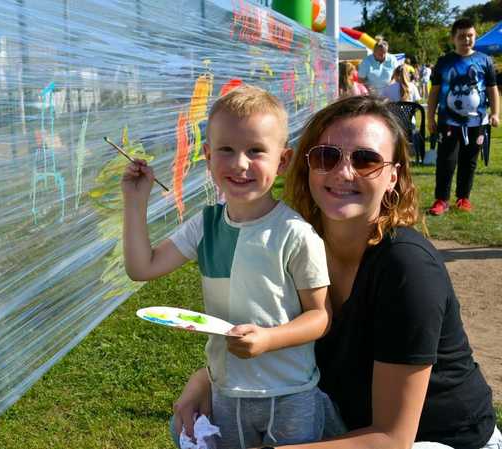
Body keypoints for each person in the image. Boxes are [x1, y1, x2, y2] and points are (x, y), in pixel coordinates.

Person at [172, 95, 501, 449]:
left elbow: (393, 438)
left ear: (394, 175)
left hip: (437, 441)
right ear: (306, 166)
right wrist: (205, 380)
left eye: (366, 160)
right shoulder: (297, 243)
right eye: (326, 157)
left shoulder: (407, 267)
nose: (343, 172)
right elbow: (280, 338)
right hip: (346, 426)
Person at [122, 85, 332, 449]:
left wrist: (268, 339)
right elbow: (143, 267)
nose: (240, 163)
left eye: (256, 151)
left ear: (282, 161)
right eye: (226, 150)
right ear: (207, 155)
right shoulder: (205, 226)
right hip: (227, 390)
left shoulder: (295, 234)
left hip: (290, 393)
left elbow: (320, 317)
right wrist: (135, 202)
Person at [427, 17, 500, 216]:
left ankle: (463, 198)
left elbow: (493, 90)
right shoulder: (443, 62)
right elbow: (434, 92)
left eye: (470, 36)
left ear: (475, 36)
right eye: (462, 36)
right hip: (448, 121)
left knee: (469, 161)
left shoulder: (485, 60)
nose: (466, 40)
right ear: (453, 38)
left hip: (477, 122)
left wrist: (495, 113)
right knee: (446, 161)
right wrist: (430, 117)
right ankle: (441, 199)